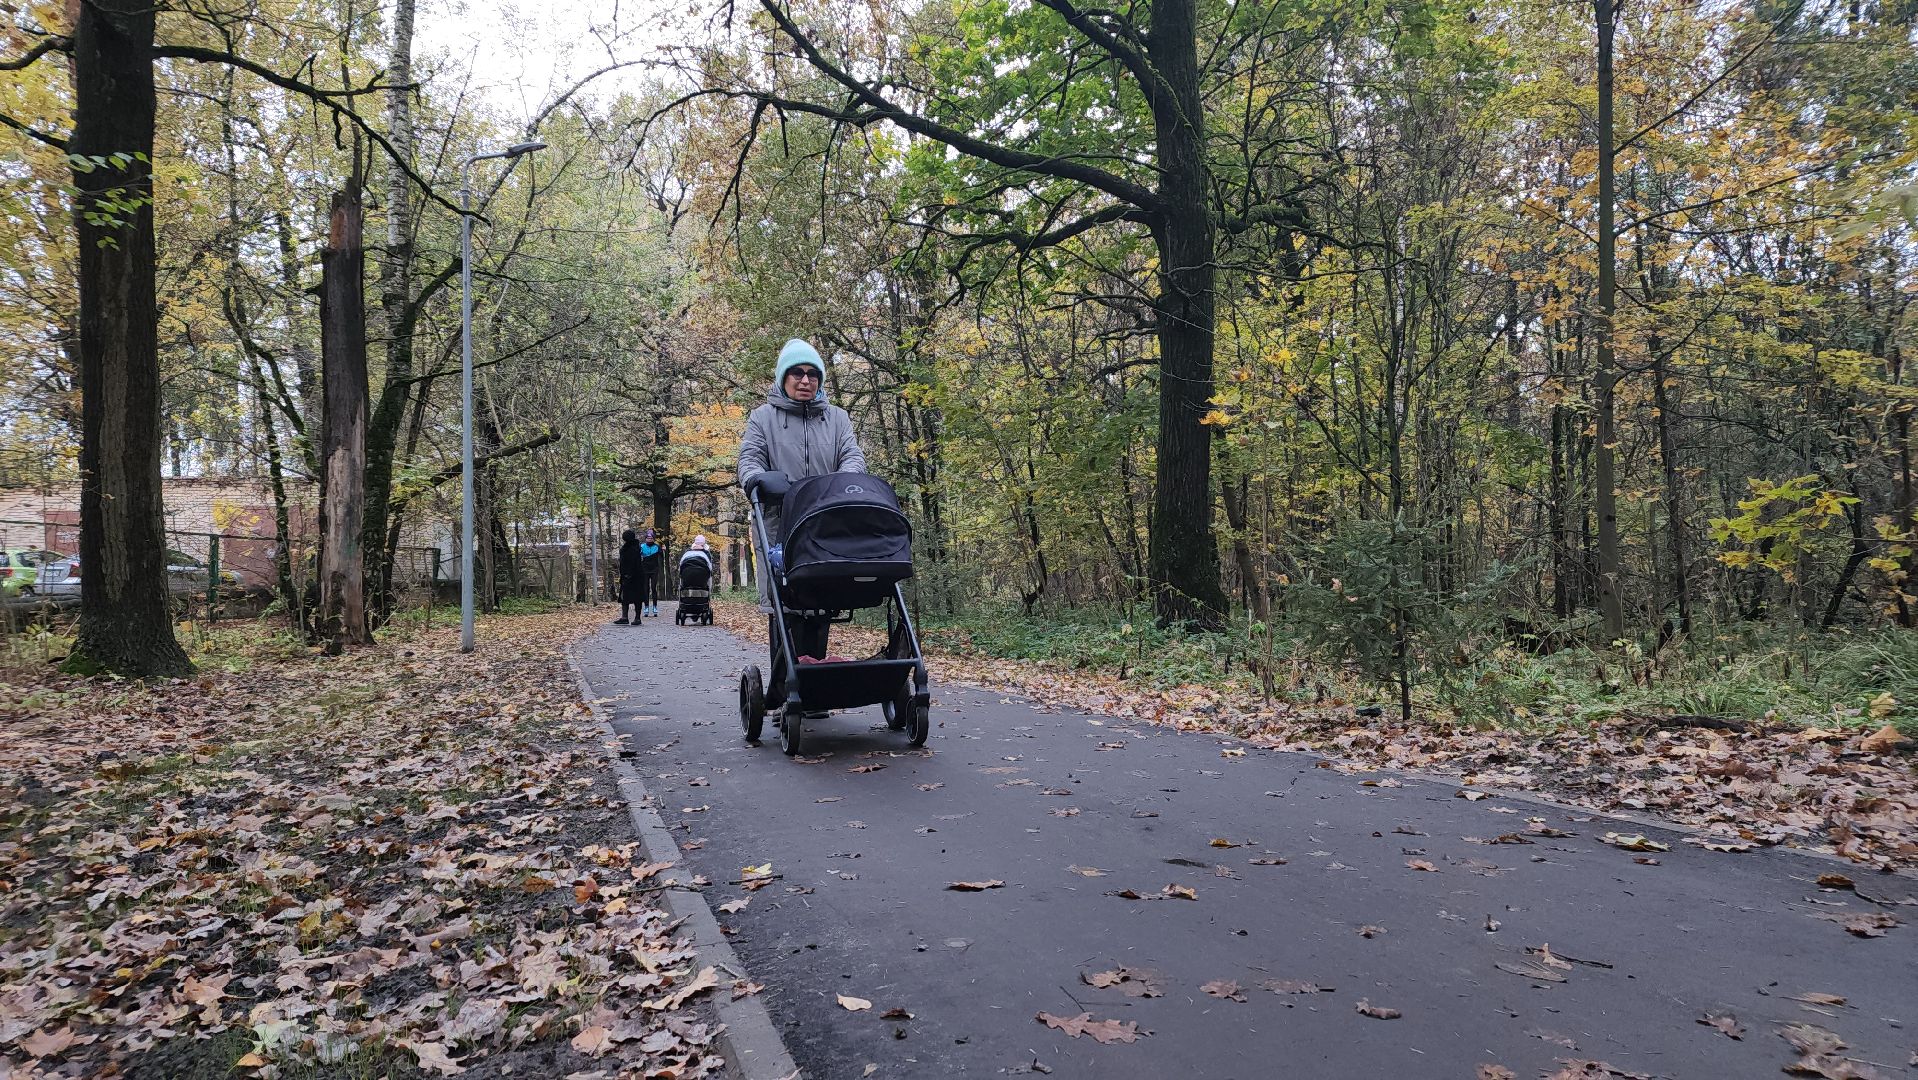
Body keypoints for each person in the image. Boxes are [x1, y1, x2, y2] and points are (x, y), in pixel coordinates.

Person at [738, 338, 867, 710]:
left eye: (813, 374)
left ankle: (814, 689)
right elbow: (749, 457)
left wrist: (846, 483)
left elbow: (851, 455)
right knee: (787, 606)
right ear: (784, 378)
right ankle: (784, 692)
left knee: (822, 599)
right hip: (780, 522)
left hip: (826, 521)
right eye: (797, 373)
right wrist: (757, 479)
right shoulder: (763, 418)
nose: (805, 380)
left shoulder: (837, 418)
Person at [615, 529, 643, 624]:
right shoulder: (633, 548)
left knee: (635, 597)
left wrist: (627, 574)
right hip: (631, 576)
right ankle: (626, 617)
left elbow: (632, 563)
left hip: (633, 576)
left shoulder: (632, 549)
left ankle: (636, 618)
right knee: (626, 597)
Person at [638, 528, 663, 616]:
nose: (650, 539)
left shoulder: (657, 547)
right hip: (644, 570)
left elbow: (662, 557)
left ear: (654, 539)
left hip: (654, 569)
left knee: (653, 588)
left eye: (651, 538)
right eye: (648, 538)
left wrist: (664, 549)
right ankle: (646, 607)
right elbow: (637, 556)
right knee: (646, 588)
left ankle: (655, 607)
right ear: (645, 539)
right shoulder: (641, 546)